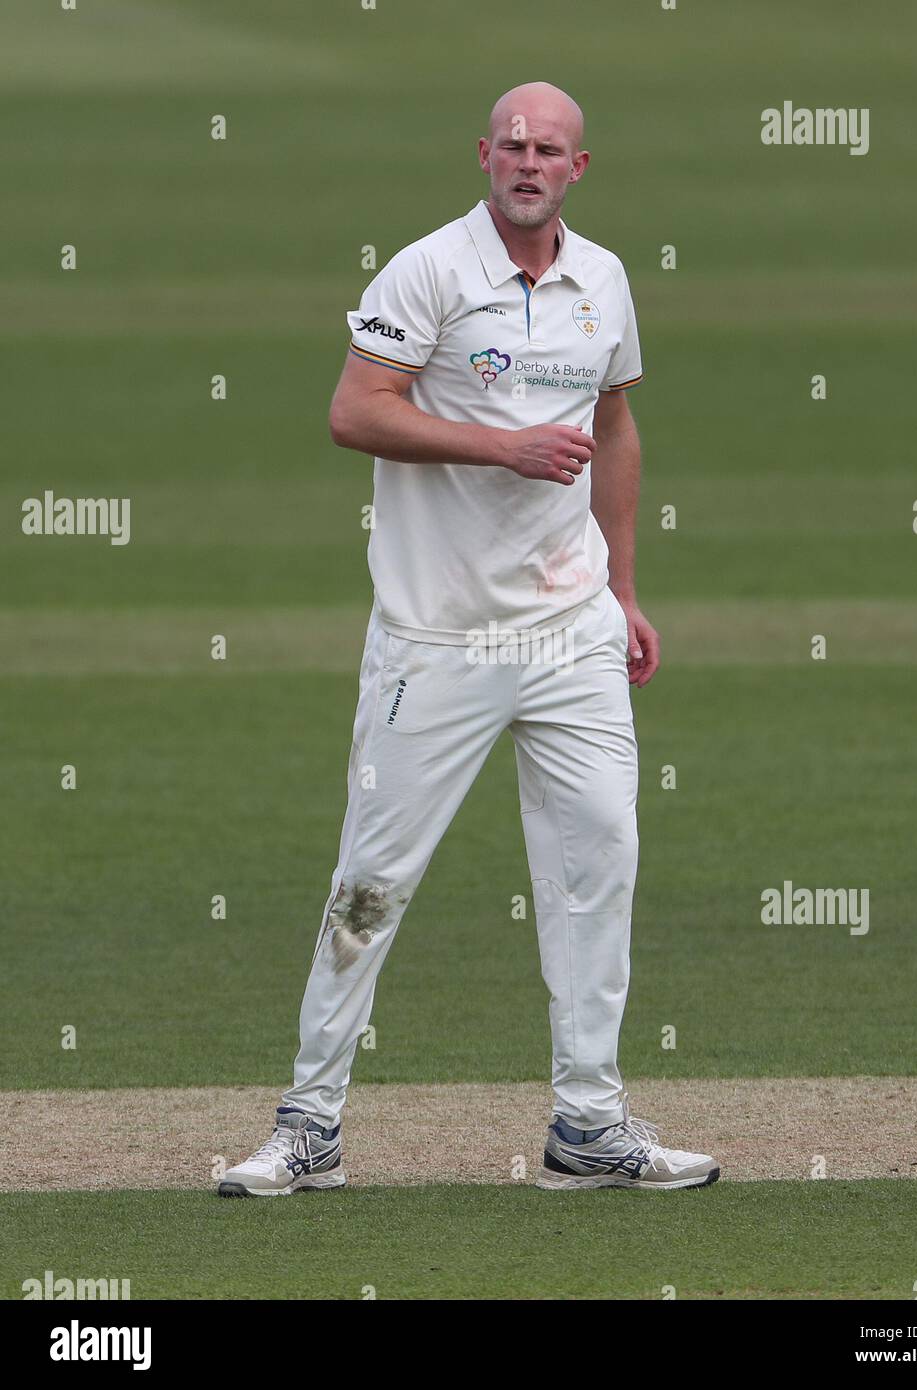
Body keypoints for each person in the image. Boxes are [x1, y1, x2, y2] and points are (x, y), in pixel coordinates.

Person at [219, 82, 719, 1196]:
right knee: (372, 880)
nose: (527, 161)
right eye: (511, 145)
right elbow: (355, 411)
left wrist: (625, 592)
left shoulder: (604, 281)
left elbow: (614, 427)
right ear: (482, 155)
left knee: (599, 864)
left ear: (577, 170)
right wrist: (500, 450)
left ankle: (589, 1122)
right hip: (437, 637)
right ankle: (309, 1125)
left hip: (571, 631)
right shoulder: (428, 270)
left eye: (548, 149)